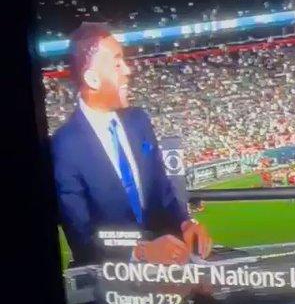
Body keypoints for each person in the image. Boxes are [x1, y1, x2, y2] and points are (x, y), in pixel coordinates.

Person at [51, 22, 213, 265]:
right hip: (113, 280)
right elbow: (82, 238)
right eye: (117, 64)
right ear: (92, 78)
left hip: (169, 270)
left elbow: (163, 192)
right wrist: (141, 252)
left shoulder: (139, 121)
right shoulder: (64, 146)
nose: (128, 70)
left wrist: (186, 223)